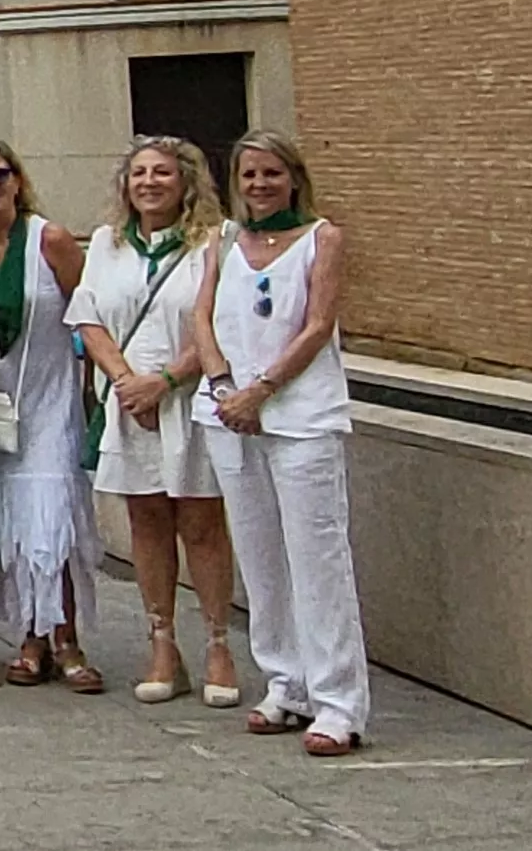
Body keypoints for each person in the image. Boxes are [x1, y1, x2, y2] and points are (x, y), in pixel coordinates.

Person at [189, 131, 366, 756]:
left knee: (317, 559)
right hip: (228, 416)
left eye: (271, 173)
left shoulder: (322, 238)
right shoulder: (222, 241)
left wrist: (261, 390)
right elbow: (202, 318)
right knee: (260, 556)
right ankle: (286, 682)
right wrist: (222, 385)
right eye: (249, 175)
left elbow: (317, 325)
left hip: (300, 418)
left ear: (293, 178)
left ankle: (338, 702)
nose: (260, 185)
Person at [74, 137, 239, 708]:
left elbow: (218, 322)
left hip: (189, 401)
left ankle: (219, 644)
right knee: (146, 521)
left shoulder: (215, 243)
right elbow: (87, 318)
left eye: (162, 173)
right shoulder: (106, 243)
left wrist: (164, 381)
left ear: (186, 181)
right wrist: (126, 382)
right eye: (139, 172)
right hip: (128, 405)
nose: (149, 182)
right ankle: (162, 645)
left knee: (202, 523)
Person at [0, 139, 100, 691]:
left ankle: (66, 639)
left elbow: (89, 316)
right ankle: (29, 636)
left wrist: (93, 388)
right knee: (11, 526)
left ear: (18, 181)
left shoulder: (50, 240)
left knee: (51, 519)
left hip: (51, 398)